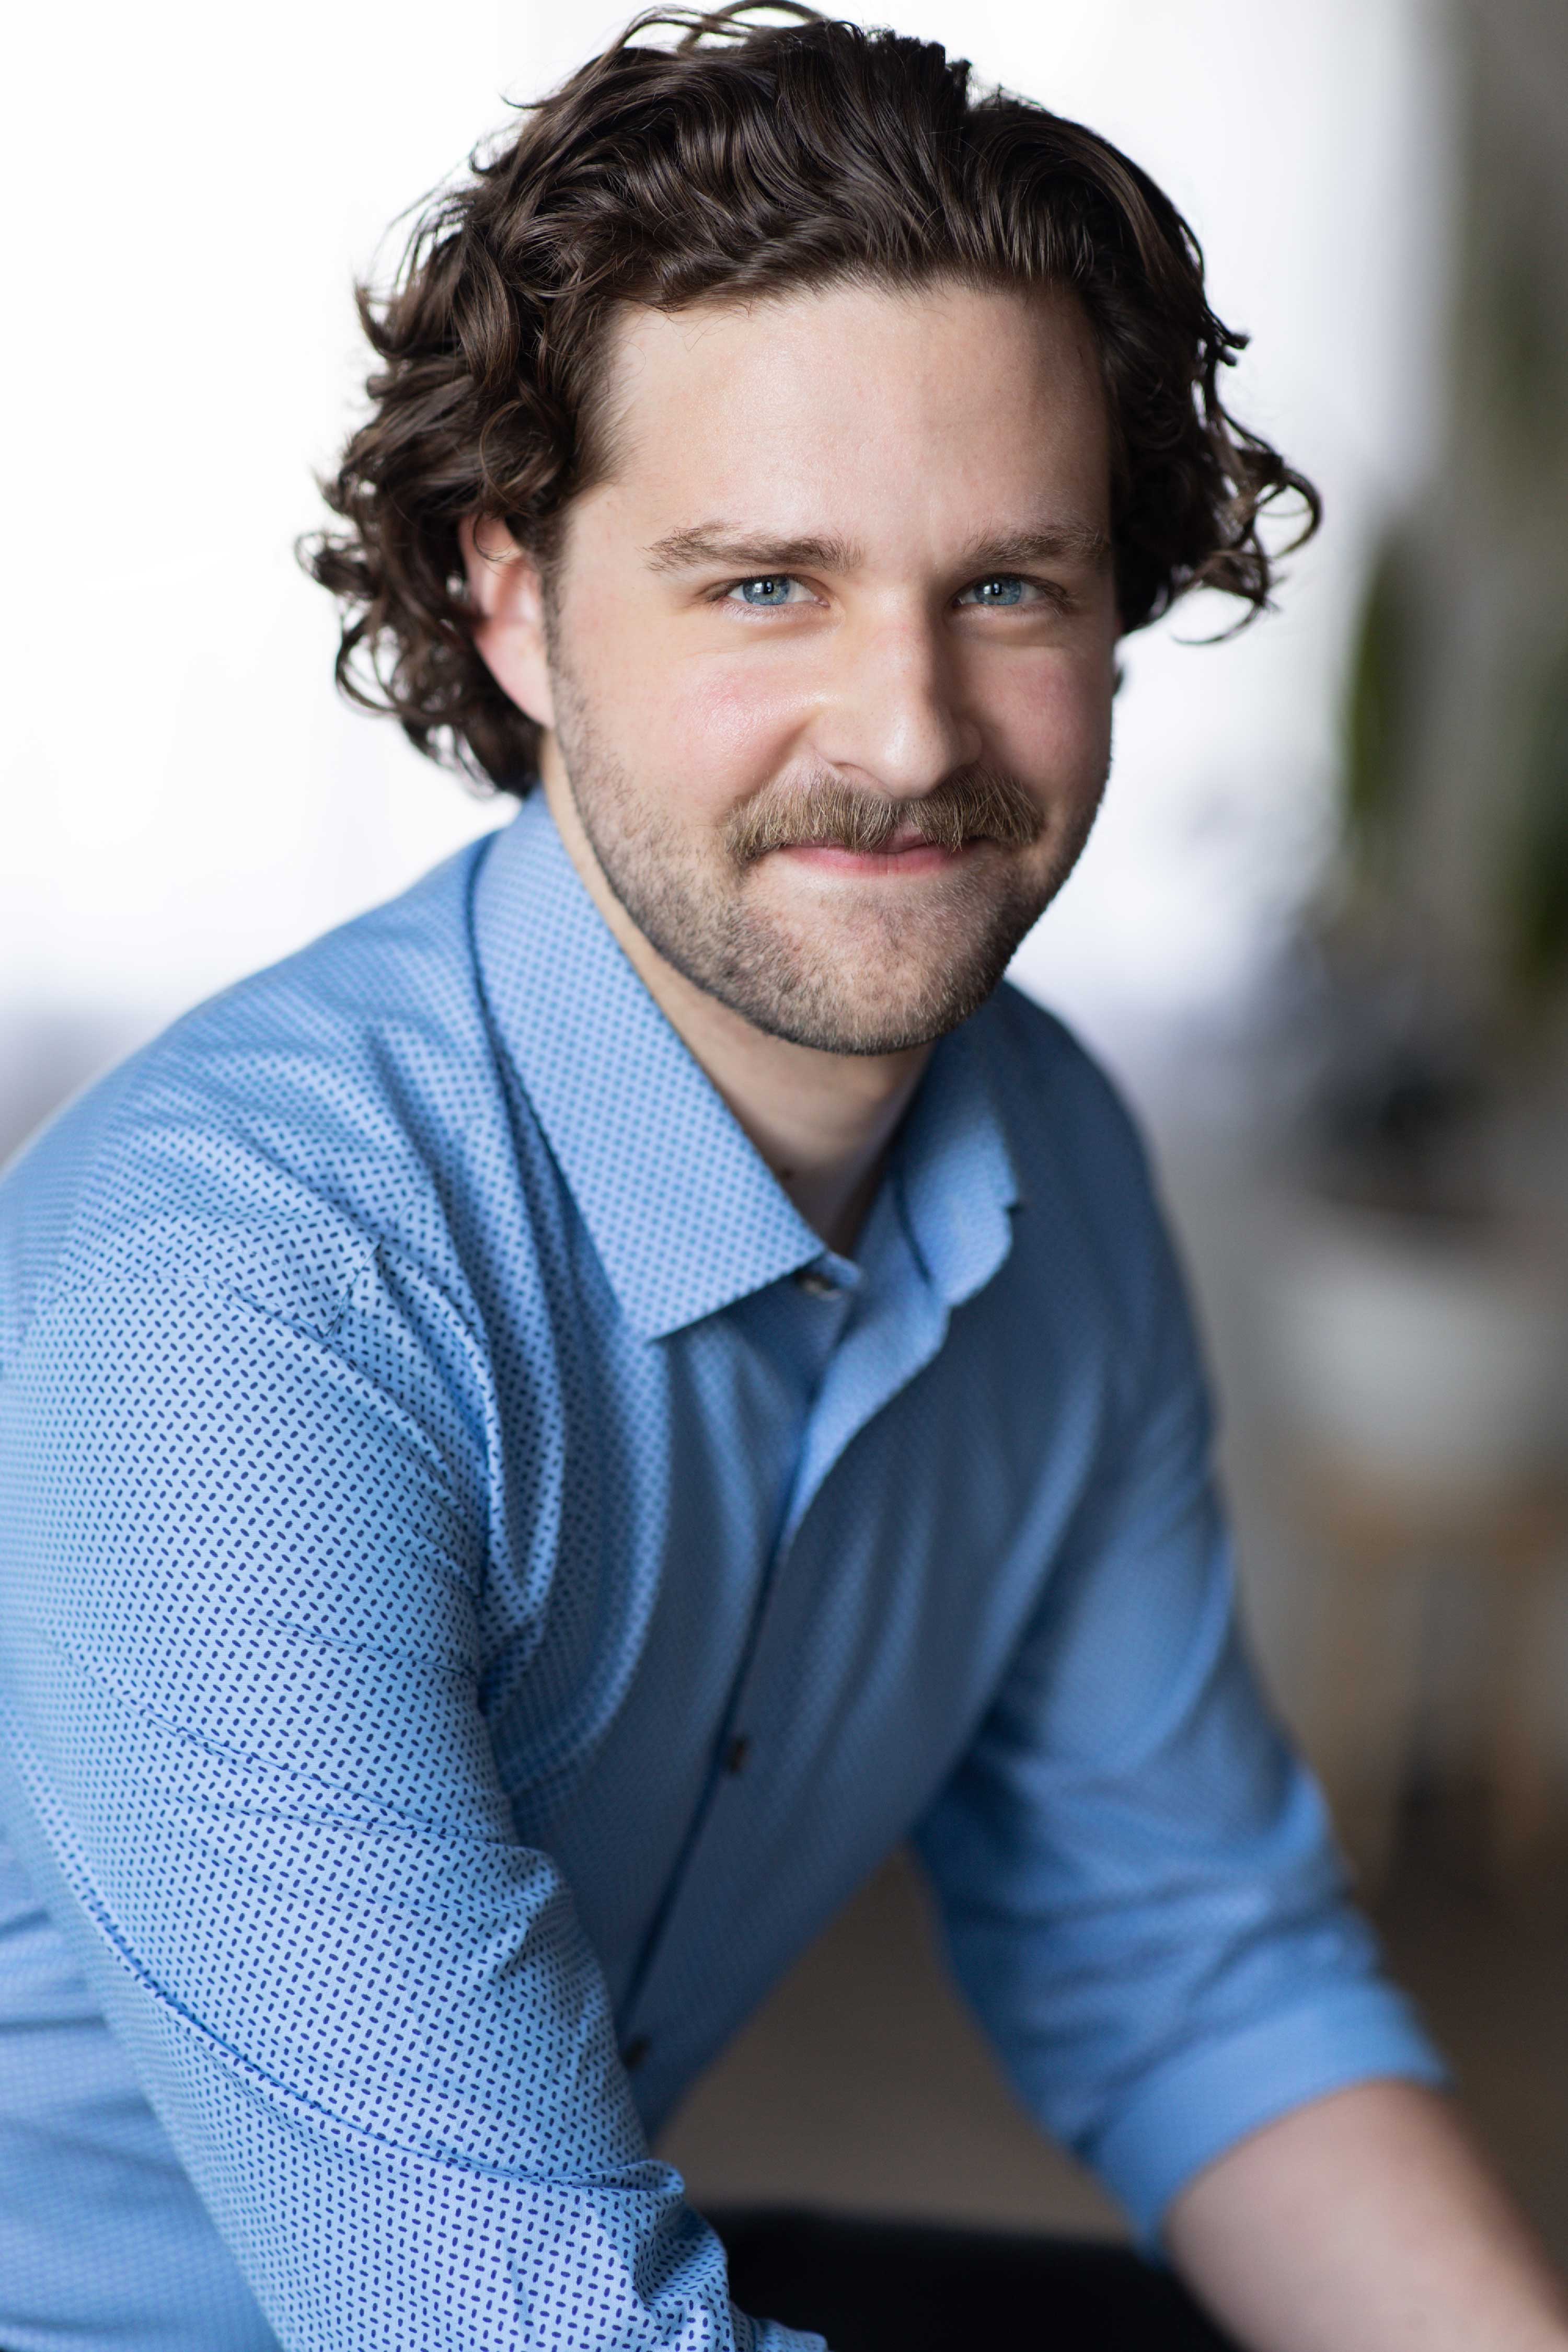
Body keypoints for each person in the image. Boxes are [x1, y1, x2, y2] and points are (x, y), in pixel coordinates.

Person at [0, 7, 1563, 2348]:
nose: (910, 733)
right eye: (765, 587)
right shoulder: (242, 1295)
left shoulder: (1049, 1157)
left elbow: (1190, 1967)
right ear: (514, 602)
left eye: (1009, 586)